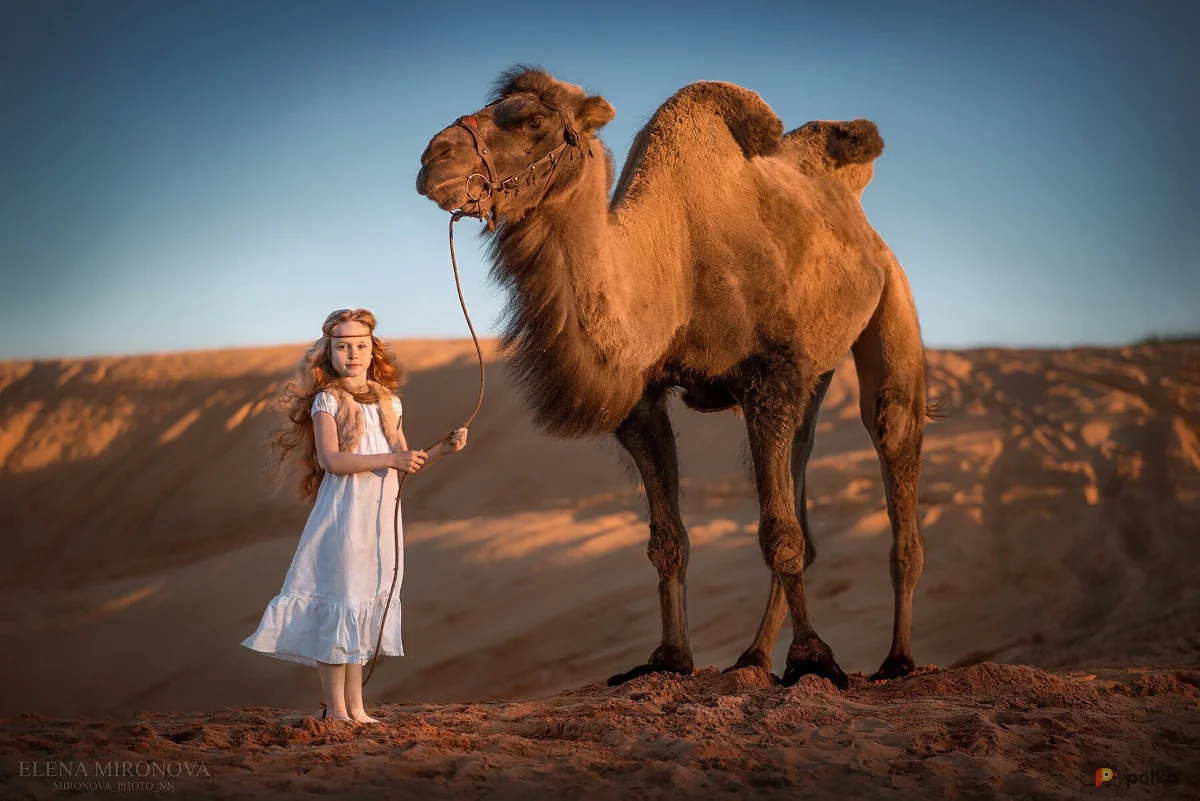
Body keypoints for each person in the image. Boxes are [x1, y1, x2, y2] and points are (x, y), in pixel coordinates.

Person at [242, 308, 468, 723]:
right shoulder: (327, 400)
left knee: (362, 604)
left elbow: (406, 462)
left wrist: (442, 451)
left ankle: (357, 709)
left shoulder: (389, 401)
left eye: (361, 346)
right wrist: (391, 457)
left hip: (380, 517)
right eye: (343, 346)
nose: (353, 354)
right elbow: (332, 461)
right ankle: (336, 710)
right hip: (344, 514)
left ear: (373, 350)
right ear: (329, 354)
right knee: (339, 600)